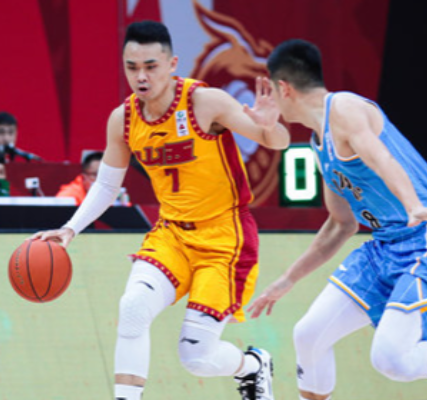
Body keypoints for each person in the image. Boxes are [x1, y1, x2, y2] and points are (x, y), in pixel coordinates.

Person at [32, 21, 289, 400]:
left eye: (150, 66)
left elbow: (277, 141)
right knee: (132, 308)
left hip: (224, 237)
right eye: (132, 67)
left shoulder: (206, 102)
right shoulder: (123, 119)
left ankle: (253, 366)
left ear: (172, 64)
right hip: (171, 235)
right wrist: (70, 228)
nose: (141, 76)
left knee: (196, 357)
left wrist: (271, 126)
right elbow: (107, 185)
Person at [248, 39, 427, 400]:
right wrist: (288, 279)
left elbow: (381, 158)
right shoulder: (319, 143)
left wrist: (413, 205)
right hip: (383, 248)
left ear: (283, 88)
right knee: (308, 336)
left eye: (271, 89)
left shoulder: (345, 107)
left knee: (391, 360)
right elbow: (341, 224)